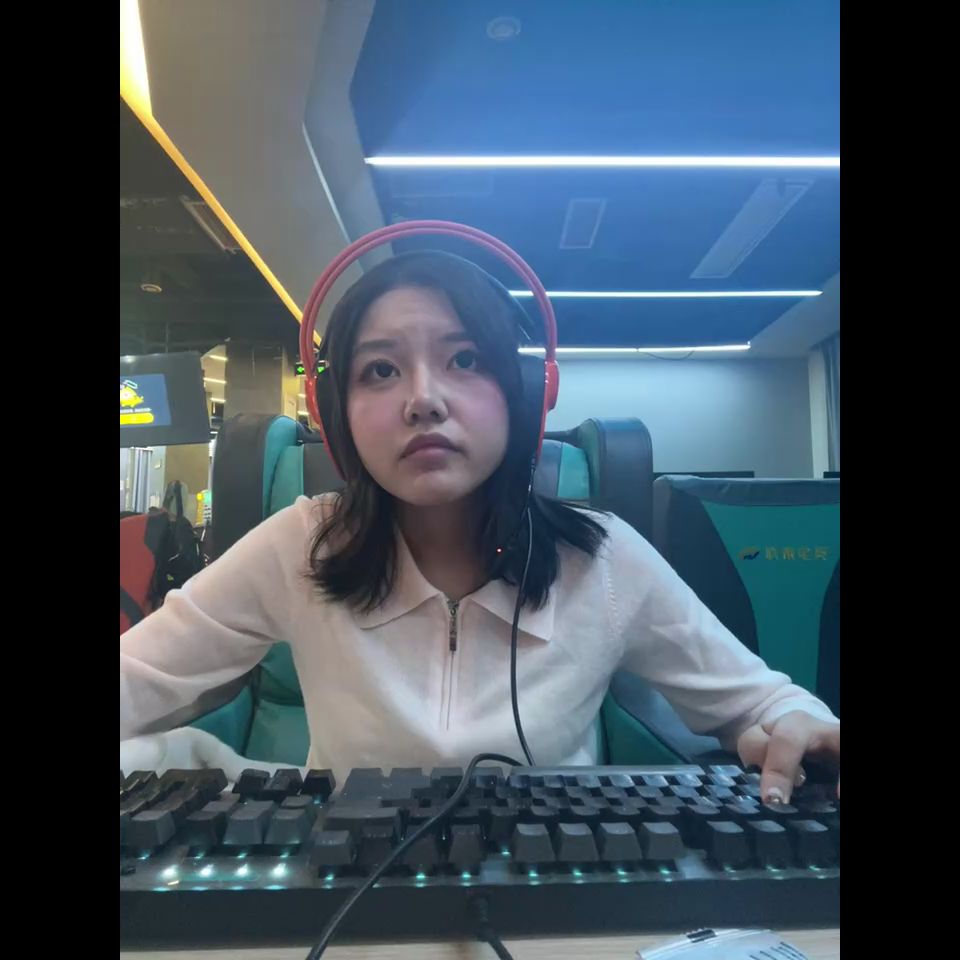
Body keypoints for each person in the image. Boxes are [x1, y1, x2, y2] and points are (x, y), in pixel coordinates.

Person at [120, 251, 839, 803]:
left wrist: (796, 725)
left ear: (526, 396)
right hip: (350, 893)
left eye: (465, 359)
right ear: (336, 414)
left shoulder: (604, 558)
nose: (423, 401)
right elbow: (136, 680)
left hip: (556, 896)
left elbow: (762, 700)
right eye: (380, 371)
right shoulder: (301, 545)